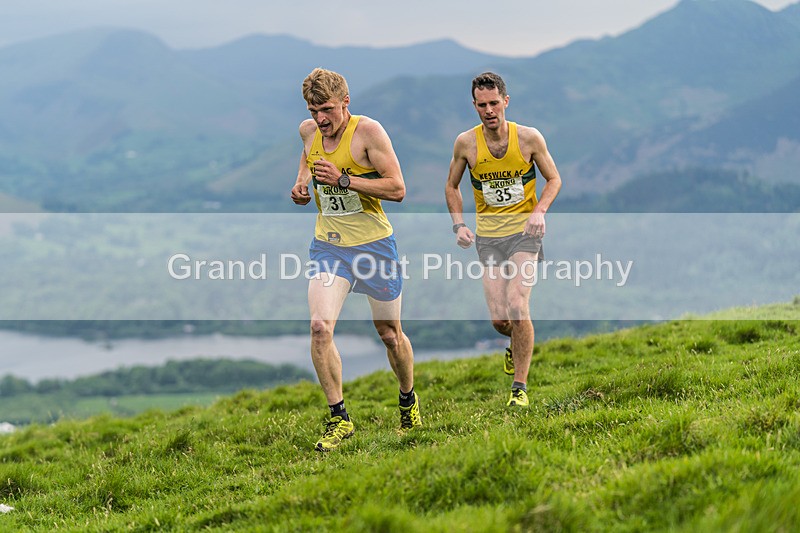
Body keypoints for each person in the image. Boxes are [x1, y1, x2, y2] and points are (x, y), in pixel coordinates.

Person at [291, 67, 421, 451]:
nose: (320, 118)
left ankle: (407, 399)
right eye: (314, 110)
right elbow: (307, 156)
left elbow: (397, 188)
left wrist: (344, 180)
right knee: (319, 328)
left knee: (390, 335)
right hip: (329, 246)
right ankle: (339, 418)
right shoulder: (308, 131)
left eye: (327, 109)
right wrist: (301, 183)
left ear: (346, 102)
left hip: (375, 246)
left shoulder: (368, 133)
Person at [444, 72, 562, 407]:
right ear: (475, 106)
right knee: (500, 320)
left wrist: (539, 211)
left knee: (517, 304)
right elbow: (451, 186)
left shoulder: (528, 139)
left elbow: (553, 179)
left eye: (494, 103)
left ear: (506, 101)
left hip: (524, 235)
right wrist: (458, 226)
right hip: (488, 239)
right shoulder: (466, 144)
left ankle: (519, 389)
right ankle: (515, 344)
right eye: (482, 105)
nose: (489, 110)